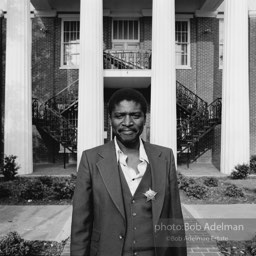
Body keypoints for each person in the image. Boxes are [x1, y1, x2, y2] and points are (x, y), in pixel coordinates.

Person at [71, 88, 187, 256]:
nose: (127, 122)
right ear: (110, 118)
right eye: (119, 116)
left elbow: (174, 217)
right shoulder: (91, 159)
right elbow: (80, 224)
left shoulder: (165, 156)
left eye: (135, 115)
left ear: (145, 118)